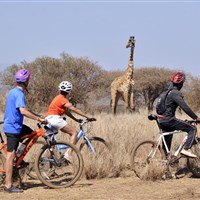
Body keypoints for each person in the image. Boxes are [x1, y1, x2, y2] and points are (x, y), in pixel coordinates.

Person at [3, 68, 46, 193]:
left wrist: (37, 115)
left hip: (14, 125)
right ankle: (8, 185)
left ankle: (18, 157)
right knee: (10, 156)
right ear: (26, 81)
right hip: (13, 128)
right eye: (29, 80)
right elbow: (22, 111)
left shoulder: (12, 92)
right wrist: (38, 118)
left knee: (32, 133)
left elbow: (24, 109)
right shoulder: (20, 94)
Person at [45, 81, 96, 158]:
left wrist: (76, 119)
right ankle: (68, 154)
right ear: (69, 91)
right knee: (74, 133)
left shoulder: (57, 98)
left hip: (48, 119)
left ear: (59, 89)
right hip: (55, 119)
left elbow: (67, 112)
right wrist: (87, 117)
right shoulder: (63, 99)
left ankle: (47, 163)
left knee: (52, 144)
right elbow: (73, 109)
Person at [158, 71, 200, 158]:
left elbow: (158, 109)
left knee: (167, 144)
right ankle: (186, 149)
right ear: (181, 84)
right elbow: (185, 107)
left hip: (161, 120)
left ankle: (165, 163)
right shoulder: (175, 93)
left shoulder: (165, 93)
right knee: (192, 128)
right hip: (169, 120)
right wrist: (196, 117)